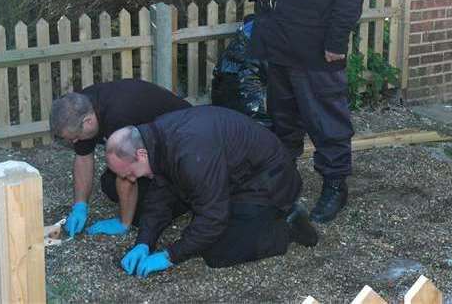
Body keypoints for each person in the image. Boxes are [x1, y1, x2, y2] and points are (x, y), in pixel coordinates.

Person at [248, 0, 367, 223]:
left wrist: (336, 43)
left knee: (326, 122)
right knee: (283, 121)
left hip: (317, 49)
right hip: (281, 41)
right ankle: (283, 184)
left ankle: (334, 187)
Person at [107, 106, 318, 278]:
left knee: (217, 251)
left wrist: (170, 255)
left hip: (270, 182)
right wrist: (144, 241)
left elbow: (213, 217)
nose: (131, 180)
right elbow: (161, 192)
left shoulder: (190, 154)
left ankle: (288, 226)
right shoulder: (156, 137)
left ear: (141, 154)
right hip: (236, 175)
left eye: (130, 173)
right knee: (196, 221)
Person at [50, 79, 191, 237]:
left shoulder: (119, 116)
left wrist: (123, 222)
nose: (75, 142)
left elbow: (126, 169)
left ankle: (185, 200)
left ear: (88, 122)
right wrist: (79, 205)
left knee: (142, 213)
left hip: (185, 148)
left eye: (75, 137)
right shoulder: (79, 107)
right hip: (150, 148)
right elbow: (83, 157)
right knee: (109, 184)